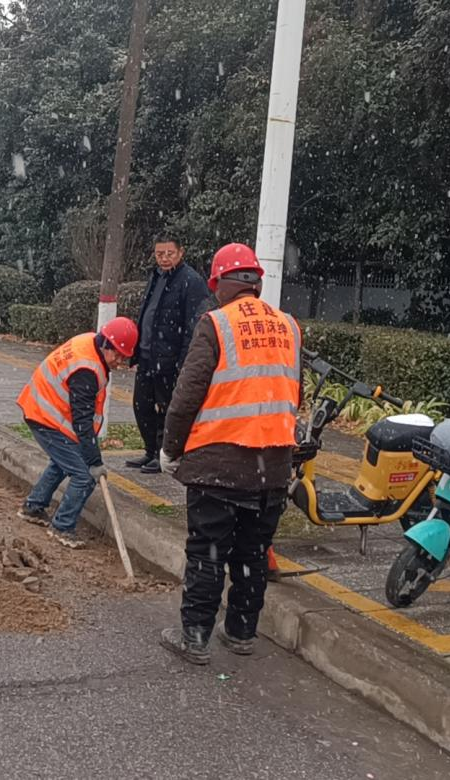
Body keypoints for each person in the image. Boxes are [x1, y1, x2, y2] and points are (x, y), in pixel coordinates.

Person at [157, 243, 301, 665]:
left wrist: (170, 449)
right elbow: (294, 392)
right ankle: (241, 632)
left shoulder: (215, 324)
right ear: (256, 283)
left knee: (207, 552)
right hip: (272, 467)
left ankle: (195, 637)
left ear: (219, 284)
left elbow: (186, 396)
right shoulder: (289, 326)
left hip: (218, 464)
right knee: (251, 554)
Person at [16, 317, 139, 549]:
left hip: (42, 409)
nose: (120, 363)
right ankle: (62, 527)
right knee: (84, 476)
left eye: (125, 357)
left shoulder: (90, 342)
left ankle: (33, 507)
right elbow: (82, 420)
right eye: (118, 356)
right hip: (45, 417)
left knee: (63, 462)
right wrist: (94, 461)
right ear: (106, 346)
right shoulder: (87, 370)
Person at [125, 236, 211, 474]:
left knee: (167, 408)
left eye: (169, 253)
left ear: (181, 252)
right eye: (159, 253)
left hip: (170, 359)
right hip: (147, 355)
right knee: (141, 405)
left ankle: (163, 455)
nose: (164, 258)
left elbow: (194, 326)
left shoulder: (191, 281)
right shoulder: (155, 276)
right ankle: (149, 450)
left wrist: (183, 362)